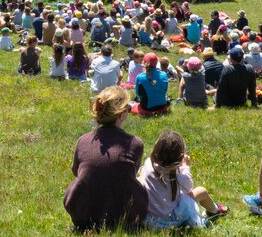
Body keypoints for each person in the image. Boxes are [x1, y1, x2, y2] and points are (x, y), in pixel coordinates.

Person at [64, 86, 149, 231]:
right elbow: (128, 175)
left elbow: (75, 171)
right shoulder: (135, 143)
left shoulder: (83, 141)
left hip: (83, 216)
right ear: (122, 114)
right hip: (125, 218)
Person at [138, 130, 227, 229]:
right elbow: (189, 187)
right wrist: (184, 166)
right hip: (168, 221)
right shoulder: (178, 179)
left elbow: (162, 169)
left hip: (148, 218)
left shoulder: (148, 164)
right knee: (201, 191)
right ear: (179, 159)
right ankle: (214, 212)